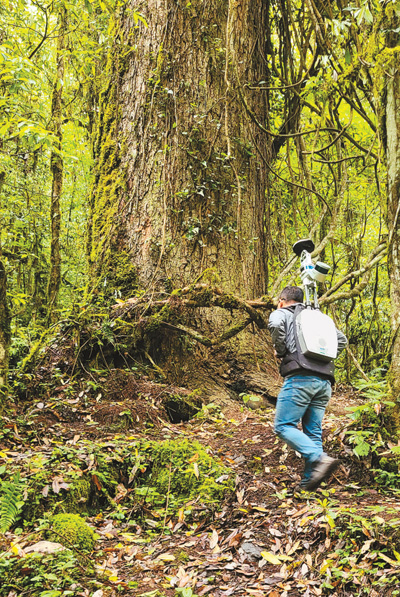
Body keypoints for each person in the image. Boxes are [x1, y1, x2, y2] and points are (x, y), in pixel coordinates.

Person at [268, 285, 347, 493]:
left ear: (281, 301)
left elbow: (275, 323)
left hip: (300, 378)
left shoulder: (283, 312)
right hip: (324, 382)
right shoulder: (317, 318)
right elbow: (342, 340)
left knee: (283, 426)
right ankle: (308, 485)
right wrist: (322, 358)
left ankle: (319, 458)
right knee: (313, 432)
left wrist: (281, 350)